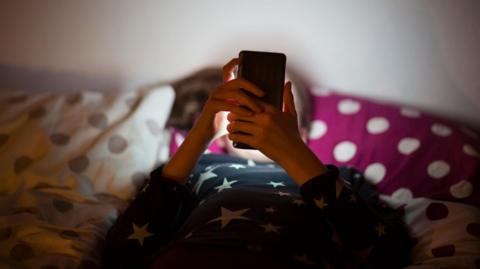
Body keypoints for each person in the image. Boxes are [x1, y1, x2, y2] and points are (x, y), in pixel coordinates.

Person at [102, 58, 411, 268]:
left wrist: (296, 155)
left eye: (275, 106)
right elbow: (123, 253)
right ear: (224, 132)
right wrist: (200, 136)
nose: (262, 113)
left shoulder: (339, 179)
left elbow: (387, 255)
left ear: (301, 131)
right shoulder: (199, 166)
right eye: (246, 105)